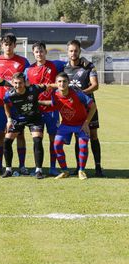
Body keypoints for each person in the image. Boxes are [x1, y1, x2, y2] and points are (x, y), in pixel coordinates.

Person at [39, 72, 97, 180]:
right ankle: (65, 170)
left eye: (64, 81)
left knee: (83, 145)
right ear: (56, 83)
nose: (62, 84)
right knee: (56, 144)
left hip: (81, 124)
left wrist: (86, 123)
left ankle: (81, 170)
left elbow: (93, 107)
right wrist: (39, 102)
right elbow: (53, 104)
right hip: (66, 124)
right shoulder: (54, 94)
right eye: (59, 82)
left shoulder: (77, 93)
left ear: (68, 82)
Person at [0, 33, 30, 175]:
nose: (8, 47)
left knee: (20, 134)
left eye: (11, 44)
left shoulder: (23, 62)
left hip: (18, 105)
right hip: (1, 103)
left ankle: (22, 165)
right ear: (2, 45)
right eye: (5, 44)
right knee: (0, 134)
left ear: (15, 45)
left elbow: (27, 81)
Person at [64, 40, 103, 177]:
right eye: (71, 50)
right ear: (67, 52)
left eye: (75, 50)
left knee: (93, 136)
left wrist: (81, 94)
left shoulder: (88, 66)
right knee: (77, 137)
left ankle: (98, 167)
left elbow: (95, 85)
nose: (73, 53)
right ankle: (79, 167)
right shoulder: (64, 68)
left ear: (79, 51)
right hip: (75, 110)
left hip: (89, 107)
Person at [2, 73, 48, 179]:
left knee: (37, 140)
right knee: (7, 141)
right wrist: (9, 120)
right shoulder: (9, 94)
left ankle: (38, 170)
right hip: (18, 119)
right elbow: (6, 105)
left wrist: (64, 86)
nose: (18, 85)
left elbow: (48, 85)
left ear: (25, 82)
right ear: (12, 83)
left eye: (20, 83)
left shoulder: (34, 89)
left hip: (34, 118)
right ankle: (8, 169)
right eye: (16, 83)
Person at [26, 41, 60, 176]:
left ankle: (53, 167)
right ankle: (38, 168)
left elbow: (62, 79)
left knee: (54, 139)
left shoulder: (55, 66)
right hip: (36, 110)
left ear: (45, 52)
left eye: (41, 51)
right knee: (37, 139)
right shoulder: (29, 70)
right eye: (36, 52)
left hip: (52, 109)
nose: (39, 54)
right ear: (33, 53)